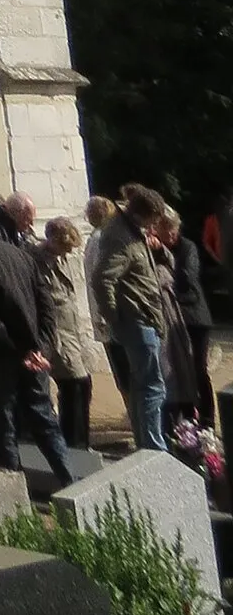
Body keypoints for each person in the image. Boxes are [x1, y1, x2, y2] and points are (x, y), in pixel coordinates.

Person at [0, 199, 74, 486]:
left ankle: (16, 496)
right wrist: (40, 348)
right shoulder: (21, 255)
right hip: (32, 354)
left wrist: (24, 350)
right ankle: (72, 484)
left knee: (1, 428)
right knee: (45, 421)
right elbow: (46, 306)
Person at [89, 183, 169, 452]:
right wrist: (113, 316)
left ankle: (148, 444)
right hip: (137, 321)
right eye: (155, 219)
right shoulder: (121, 236)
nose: (156, 224)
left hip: (140, 319)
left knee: (141, 386)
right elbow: (102, 279)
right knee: (152, 388)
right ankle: (155, 448)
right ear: (146, 215)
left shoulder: (128, 231)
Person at [156, 210, 216, 439]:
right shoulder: (157, 249)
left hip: (194, 317)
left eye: (172, 228)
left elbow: (188, 278)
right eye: (164, 228)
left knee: (199, 368)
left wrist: (170, 292)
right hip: (173, 319)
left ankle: (208, 419)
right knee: (178, 369)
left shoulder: (187, 247)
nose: (169, 233)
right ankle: (186, 417)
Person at [39, 217, 97, 451]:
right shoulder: (39, 261)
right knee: (73, 386)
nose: (68, 252)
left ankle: (81, 440)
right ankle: (73, 441)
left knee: (84, 385)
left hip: (74, 332)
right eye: (65, 246)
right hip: (59, 335)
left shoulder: (62, 258)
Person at [149, 213, 200, 430]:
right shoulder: (140, 251)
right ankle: (173, 429)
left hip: (177, 316)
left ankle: (190, 426)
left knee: (188, 370)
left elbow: (184, 275)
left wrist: (161, 251)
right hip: (161, 318)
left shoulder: (178, 248)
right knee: (167, 373)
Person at [85, 195, 129, 402]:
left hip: (108, 315)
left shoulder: (99, 238)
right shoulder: (101, 239)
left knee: (124, 371)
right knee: (125, 371)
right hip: (112, 316)